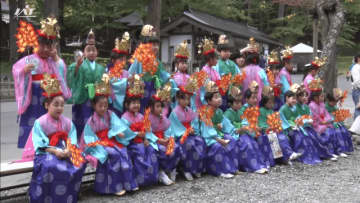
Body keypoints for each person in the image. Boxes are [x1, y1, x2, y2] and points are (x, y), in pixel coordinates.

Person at [12, 17, 71, 148]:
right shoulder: (30, 59)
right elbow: (16, 70)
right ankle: (31, 150)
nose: (45, 49)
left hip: (50, 97)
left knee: (50, 125)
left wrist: (55, 57)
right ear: (36, 45)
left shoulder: (53, 61)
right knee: (33, 127)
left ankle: (53, 146)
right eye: (42, 45)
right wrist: (24, 70)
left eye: (48, 46)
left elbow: (62, 70)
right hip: (34, 96)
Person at [28, 74, 84, 203]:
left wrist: (69, 149)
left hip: (65, 148)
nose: (60, 108)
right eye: (56, 104)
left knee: (79, 161)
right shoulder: (40, 122)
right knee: (52, 166)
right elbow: (39, 143)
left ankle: (71, 194)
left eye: (62, 105)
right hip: (47, 151)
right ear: (47, 105)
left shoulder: (67, 122)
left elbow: (72, 138)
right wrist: (55, 151)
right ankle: (47, 197)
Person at [81, 75, 138, 196]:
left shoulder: (110, 114)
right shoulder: (91, 121)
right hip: (99, 143)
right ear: (94, 105)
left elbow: (116, 125)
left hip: (111, 140)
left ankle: (128, 184)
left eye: (105, 105)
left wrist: (118, 132)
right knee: (113, 154)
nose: (103, 108)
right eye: (100, 105)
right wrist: (97, 144)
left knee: (123, 152)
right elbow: (89, 137)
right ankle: (113, 187)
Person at [121, 74, 160, 187]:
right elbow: (125, 133)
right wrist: (137, 134)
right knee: (139, 152)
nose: (136, 105)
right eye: (133, 103)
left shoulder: (141, 116)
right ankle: (141, 180)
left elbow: (148, 129)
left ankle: (152, 178)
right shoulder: (124, 117)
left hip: (143, 141)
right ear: (127, 105)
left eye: (138, 103)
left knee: (152, 150)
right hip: (132, 144)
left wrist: (147, 138)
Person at [67, 29, 105, 136]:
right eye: (88, 50)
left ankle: (95, 140)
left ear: (97, 52)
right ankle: (81, 141)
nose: (92, 52)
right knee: (83, 121)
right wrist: (77, 66)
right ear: (84, 52)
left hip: (97, 99)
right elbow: (72, 77)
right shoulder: (79, 64)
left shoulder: (101, 68)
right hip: (83, 97)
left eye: (94, 50)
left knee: (96, 121)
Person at [199, 81, 238, 178]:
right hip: (209, 137)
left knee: (232, 140)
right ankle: (220, 171)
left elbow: (226, 125)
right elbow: (207, 131)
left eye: (219, 96)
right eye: (216, 97)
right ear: (208, 100)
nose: (219, 99)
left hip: (218, 134)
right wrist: (219, 140)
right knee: (218, 146)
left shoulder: (219, 111)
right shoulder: (205, 112)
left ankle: (231, 168)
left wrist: (235, 130)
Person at [128, 24, 170, 113]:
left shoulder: (158, 62)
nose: (156, 47)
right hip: (142, 89)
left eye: (157, 45)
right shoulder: (139, 59)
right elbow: (130, 74)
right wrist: (137, 80)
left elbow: (163, 75)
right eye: (153, 45)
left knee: (153, 112)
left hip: (154, 88)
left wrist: (170, 78)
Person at [169, 82, 206, 181]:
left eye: (188, 99)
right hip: (181, 136)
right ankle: (186, 169)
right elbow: (174, 127)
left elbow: (193, 122)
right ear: (178, 99)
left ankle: (197, 168)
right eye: (183, 99)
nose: (186, 101)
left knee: (200, 141)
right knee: (189, 144)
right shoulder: (174, 112)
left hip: (190, 134)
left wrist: (193, 129)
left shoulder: (189, 110)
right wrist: (186, 132)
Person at [293, 83, 337, 161]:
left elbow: (322, 115)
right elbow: (296, 118)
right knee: (311, 137)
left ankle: (328, 153)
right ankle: (311, 156)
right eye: (302, 96)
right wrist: (321, 122)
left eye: (306, 95)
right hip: (301, 127)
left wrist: (327, 120)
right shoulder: (306, 106)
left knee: (332, 132)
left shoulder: (307, 106)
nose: (304, 98)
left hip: (309, 126)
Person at [258, 92, 302, 165]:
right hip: (265, 131)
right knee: (276, 137)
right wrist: (268, 128)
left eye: (272, 103)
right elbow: (261, 123)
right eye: (269, 103)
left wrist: (276, 126)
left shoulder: (271, 111)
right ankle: (287, 155)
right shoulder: (261, 111)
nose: (271, 105)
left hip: (273, 130)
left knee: (283, 136)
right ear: (264, 103)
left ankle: (286, 157)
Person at [279, 91, 322, 165]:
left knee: (306, 136)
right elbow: (282, 121)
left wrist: (301, 122)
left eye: (295, 99)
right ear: (286, 98)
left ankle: (310, 156)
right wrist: (290, 126)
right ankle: (301, 156)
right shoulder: (282, 109)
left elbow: (298, 118)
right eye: (293, 99)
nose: (294, 101)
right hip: (288, 129)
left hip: (297, 127)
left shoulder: (294, 108)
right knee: (299, 137)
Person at [108, 32, 131, 117]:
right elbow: (113, 84)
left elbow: (130, 86)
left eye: (124, 60)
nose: (123, 62)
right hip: (113, 103)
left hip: (126, 102)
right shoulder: (109, 73)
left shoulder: (126, 73)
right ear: (113, 60)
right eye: (120, 59)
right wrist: (126, 81)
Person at [242, 38, 270, 105]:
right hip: (258, 100)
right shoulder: (261, 71)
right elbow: (266, 86)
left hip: (245, 99)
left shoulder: (242, 71)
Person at [325, 89, 354, 154]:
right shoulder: (325, 107)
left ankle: (345, 148)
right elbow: (326, 116)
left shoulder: (335, 107)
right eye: (333, 102)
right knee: (337, 132)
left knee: (344, 130)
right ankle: (339, 149)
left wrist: (340, 118)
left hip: (336, 122)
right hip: (329, 123)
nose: (334, 103)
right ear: (329, 101)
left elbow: (338, 115)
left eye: (335, 102)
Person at [196, 37, 220, 108]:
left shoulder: (213, 70)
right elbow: (203, 90)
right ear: (211, 59)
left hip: (214, 99)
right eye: (216, 58)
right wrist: (208, 102)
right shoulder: (204, 72)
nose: (217, 60)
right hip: (209, 102)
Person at [351, 54, 360, 118]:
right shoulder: (355, 67)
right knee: (358, 108)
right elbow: (356, 81)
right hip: (357, 90)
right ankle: (355, 127)